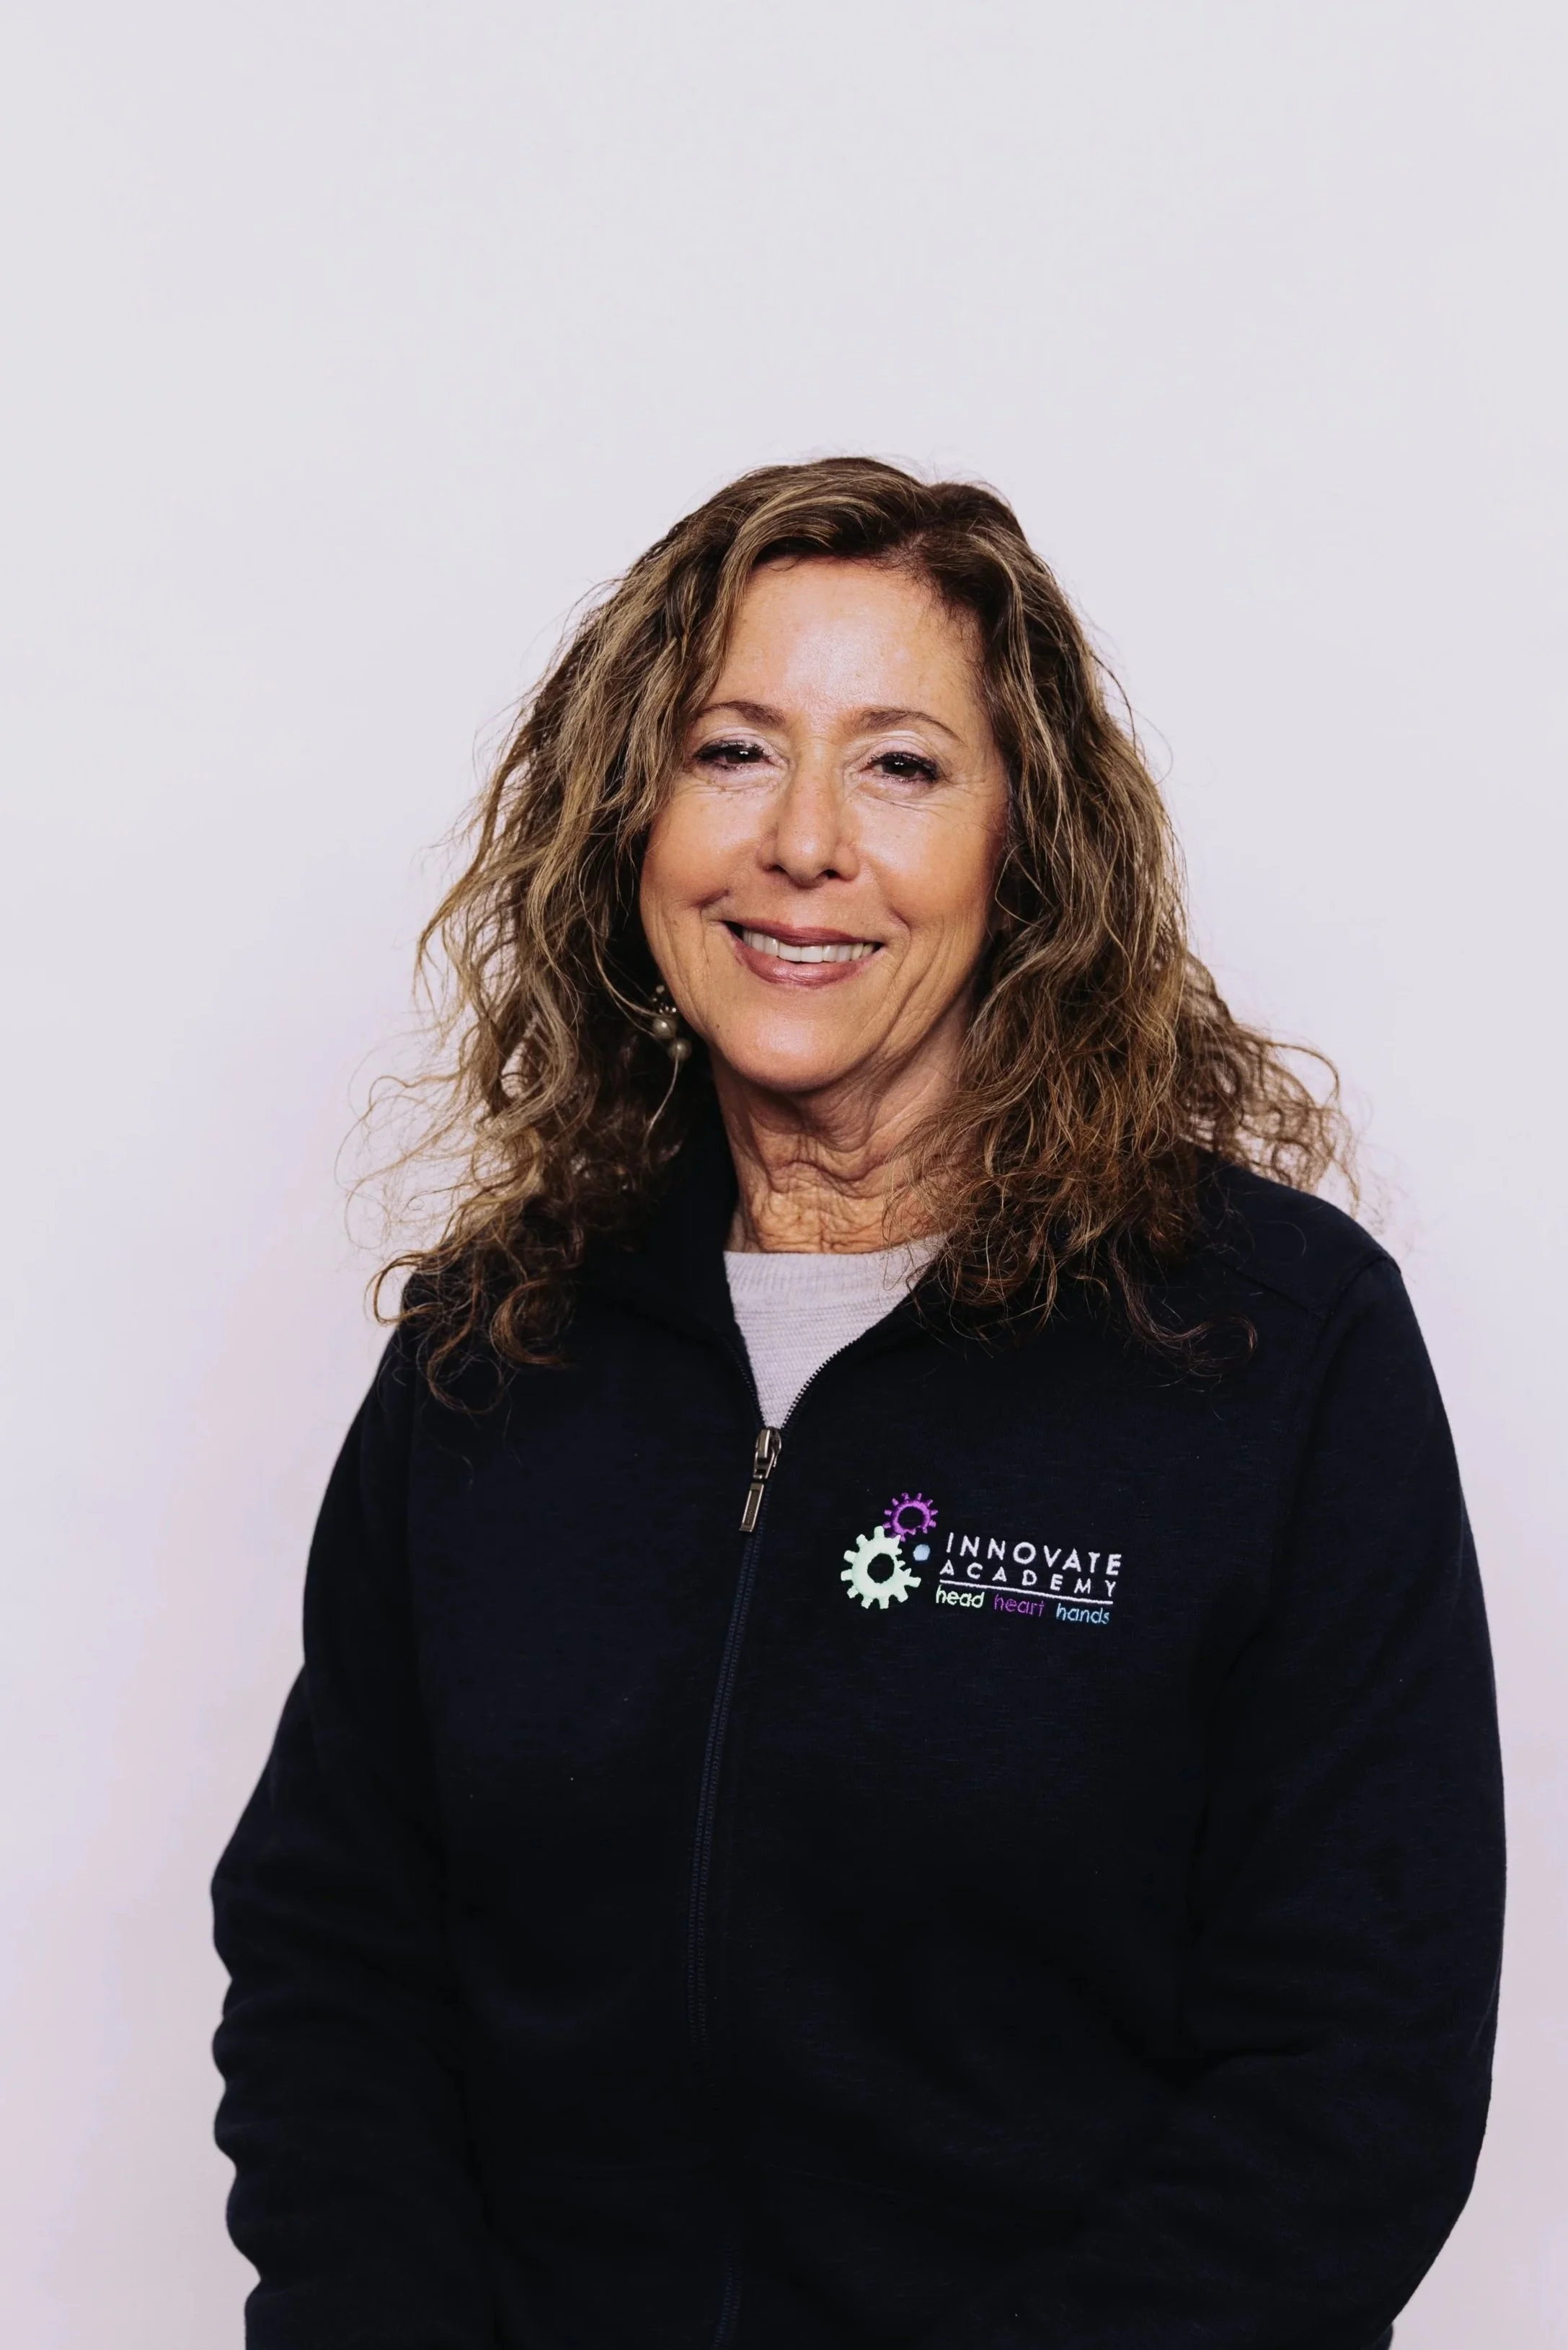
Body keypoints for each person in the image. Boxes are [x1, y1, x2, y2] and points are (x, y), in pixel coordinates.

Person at [212, 458, 1504, 2350]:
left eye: (898, 766)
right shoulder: (500, 1351)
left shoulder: (1264, 1344)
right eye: (731, 750)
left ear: (1023, 850)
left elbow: (1350, 2069)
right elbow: (338, 1962)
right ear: (630, 821)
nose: (801, 841)